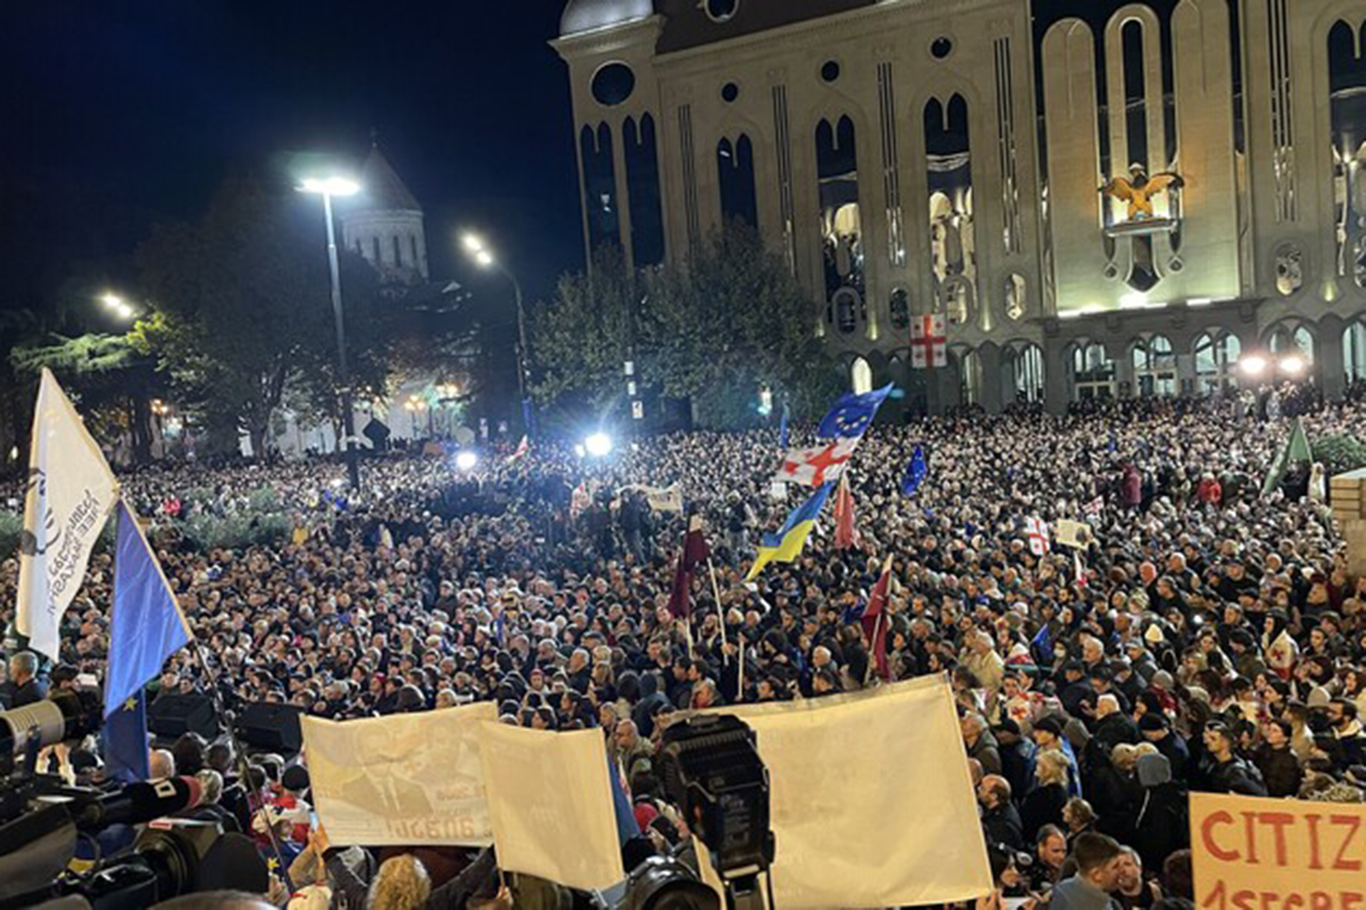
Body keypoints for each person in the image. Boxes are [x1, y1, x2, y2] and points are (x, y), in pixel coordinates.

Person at [1049, 832, 1125, 910]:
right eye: (1115, 866)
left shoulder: (1113, 905)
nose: (1123, 870)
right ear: (1097, 874)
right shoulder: (1060, 900)